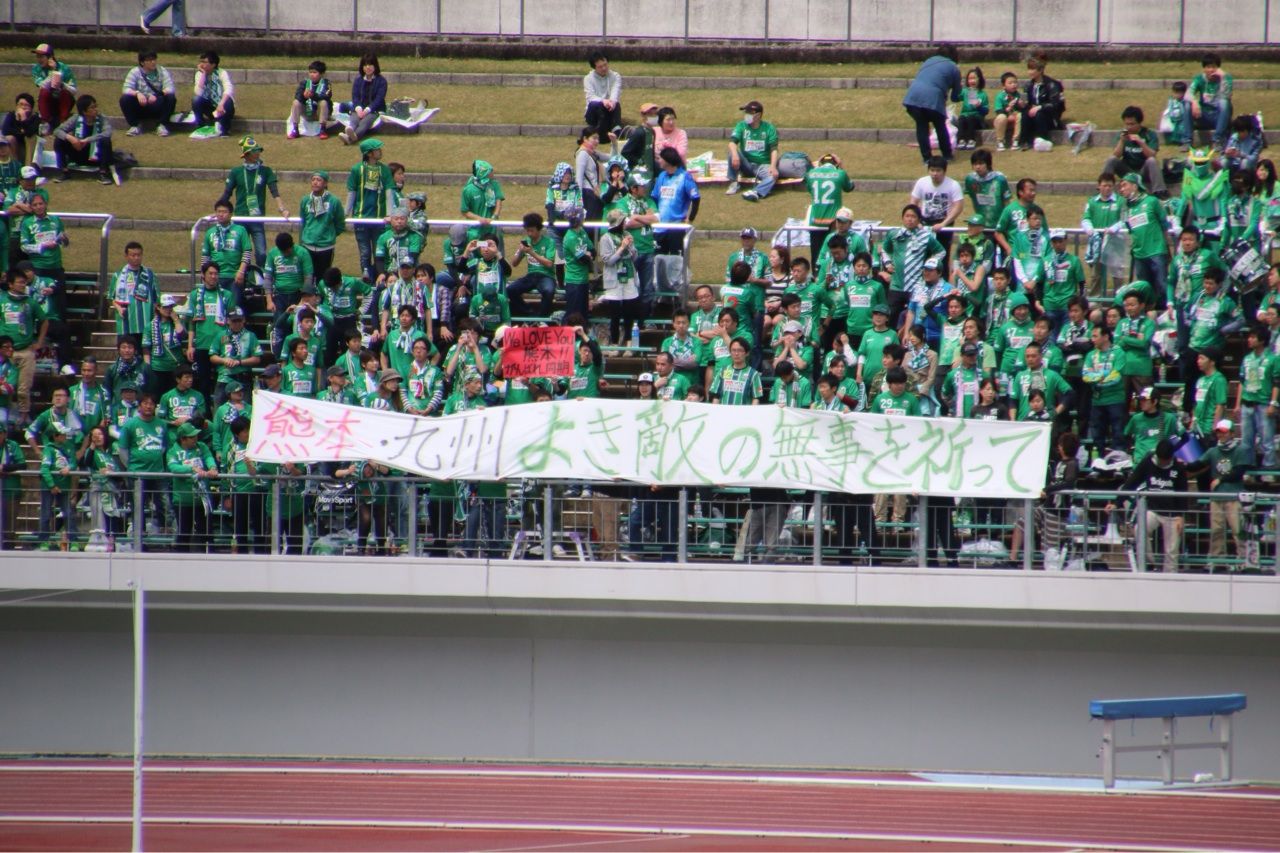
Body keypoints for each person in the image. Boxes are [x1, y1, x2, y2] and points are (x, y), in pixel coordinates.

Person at [1109, 438, 1188, 573]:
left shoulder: (1179, 467)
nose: (1163, 463)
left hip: (1172, 514)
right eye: (1161, 459)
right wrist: (1117, 503)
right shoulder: (1148, 462)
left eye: (1166, 460)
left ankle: (1170, 578)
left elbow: (1182, 492)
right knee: (1140, 529)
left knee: (1172, 550)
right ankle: (1150, 562)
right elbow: (1131, 482)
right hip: (1153, 509)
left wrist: (1181, 515)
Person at [221, 135, 287, 268]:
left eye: (258, 150)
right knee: (239, 253)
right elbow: (227, 193)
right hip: (240, 218)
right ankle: (244, 278)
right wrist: (220, 210)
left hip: (257, 218)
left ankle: (261, 278)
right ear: (247, 154)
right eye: (255, 151)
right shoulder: (236, 172)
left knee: (262, 253)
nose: (258, 153)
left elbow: (274, 191)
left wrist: (282, 207)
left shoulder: (265, 171)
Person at [1194, 419, 1251, 572]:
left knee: (1238, 530)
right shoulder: (1213, 451)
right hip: (1217, 497)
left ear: (1232, 433)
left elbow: (1239, 471)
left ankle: (1244, 560)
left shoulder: (1240, 450)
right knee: (1216, 530)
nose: (1221, 435)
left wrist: (1220, 479)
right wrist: (1181, 462)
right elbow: (1197, 464)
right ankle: (1216, 559)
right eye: (1219, 431)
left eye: (1224, 432)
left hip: (1234, 496)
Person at [1119, 171, 1170, 310]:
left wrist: (1166, 245)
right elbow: (1131, 229)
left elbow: (1164, 223)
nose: (1121, 189)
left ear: (1135, 186)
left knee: (1162, 283)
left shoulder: (1151, 201)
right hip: (1139, 254)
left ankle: (1168, 312)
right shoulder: (1126, 208)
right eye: (1120, 187)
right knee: (1145, 287)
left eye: (1125, 185)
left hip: (1156, 250)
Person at [902, 43, 961, 163]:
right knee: (940, 126)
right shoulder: (954, 67)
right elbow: (955, 97)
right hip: (933, 99)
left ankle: (927, 158)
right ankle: (947, 155)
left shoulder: (928, 61)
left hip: (913, 97)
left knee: (922, 126)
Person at [347, 138, 396, 281]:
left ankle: (379, 275)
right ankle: (366, 273)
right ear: (369, 153)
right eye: (377, 149)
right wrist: (346, 212)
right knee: (364, 251)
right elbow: (352, 191)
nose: (380, 151)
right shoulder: (357, 169)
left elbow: (389, 191)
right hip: (361, 217)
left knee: (378, 249)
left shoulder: (384, 169)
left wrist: (389, 214)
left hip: (379, 218)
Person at [167, 422, 216, 553]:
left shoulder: (202, 446)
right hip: (183, 500)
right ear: (183, 439)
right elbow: (173, 467)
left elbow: (209, 457)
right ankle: (182, 560)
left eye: (195, 436)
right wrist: (191, 469)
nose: (195, 439)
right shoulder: (173, 451)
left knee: (205, 531)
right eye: (191, 437)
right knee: (184, 531)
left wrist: (212, 467)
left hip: (202, 499)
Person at [910, 156, 964, 270]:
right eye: (932, 170)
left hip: (944, 223)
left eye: (938, 170)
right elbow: (913, 202)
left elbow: (958, 206)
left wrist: (944, 224)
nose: (935, 173)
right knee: (922, 255)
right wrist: (917, 221)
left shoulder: (953, 185)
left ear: (944, 171)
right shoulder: (922, 182)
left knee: (942, 255)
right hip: (924, 223)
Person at [598, 209, 640, 348]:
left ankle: (629, 343)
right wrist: (621, 248)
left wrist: (632, 249)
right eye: (622, 221)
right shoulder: (605, 238)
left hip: (628, 276)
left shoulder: (627, 234)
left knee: (629, 312)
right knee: (615, 314)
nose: (625, 223)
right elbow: (608, 261)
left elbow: (634, 258)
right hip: (614, 279)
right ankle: (615, 343)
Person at [1082, 325, 1127, 453]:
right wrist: (1102, 376)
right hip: (1097, 401)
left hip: (1115, 400)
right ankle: (1099, 464)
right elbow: (1085, 376)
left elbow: (1116, 376)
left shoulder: (1119, 352)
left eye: (1095, 336)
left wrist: (1097, 378)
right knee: (1097, 435)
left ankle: (1118, 466)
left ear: (1106, 336)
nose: (1092, 339)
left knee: (1118, 433)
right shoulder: (1091, 355)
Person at [1104, 106, 1166, 199]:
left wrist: (1141, 142)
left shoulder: (1149, 134)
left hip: (1144, 171)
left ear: (1139, 123)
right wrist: (1122, 141)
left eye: (1132, 124)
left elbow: (1152, 155)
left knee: (1152, 161)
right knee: (1111, 159)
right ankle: (1105, 186)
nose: (1129, 127)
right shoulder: (1122, 134)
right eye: (1127, 124)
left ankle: (1160, 191)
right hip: (1127, 171)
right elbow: (1116, 155)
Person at [53, 95, 115, 185]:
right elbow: (57, 131)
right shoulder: (75, 118)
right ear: (84, 111)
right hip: (78, 151)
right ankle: (64, 172)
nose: (96, 109)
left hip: (95, 155)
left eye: (96, 106)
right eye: (92, 107)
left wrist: (88, 140)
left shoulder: (102, 118)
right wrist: (71, 138)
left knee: (105, 141)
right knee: (59, 140)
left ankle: (103, 173)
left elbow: (108, 133)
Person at [726, 100, 779, 202]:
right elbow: (732, 142)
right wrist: (735, 155)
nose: (746, 115)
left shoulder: (769, 128)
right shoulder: (741, 126)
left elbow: (774, 149)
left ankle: (756, 192)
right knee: (732, 153)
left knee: (773, 176)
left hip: (763, 165)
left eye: (749, 113)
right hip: (746, 164)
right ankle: (733, 183)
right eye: (746, 112)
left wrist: (773, 166)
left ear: (758, 115)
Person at [120, 51, 176, 136]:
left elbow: (170, 88)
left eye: (154, 59)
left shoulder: (162, 71)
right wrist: (137, 93)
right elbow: (126, 89)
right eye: (149, 60)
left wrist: (157, 95)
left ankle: (162, 125)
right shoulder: (134, 72)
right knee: (125, 99)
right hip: (141, 105)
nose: (153, 62)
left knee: (171, 97)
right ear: (142, 62)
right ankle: (134, 126)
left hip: (156, 104)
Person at [1018, 53, 1065, 149]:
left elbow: (1055, 104)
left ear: (1040, 70)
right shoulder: (1028, 86)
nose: (1029, 72)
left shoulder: (1052, 84)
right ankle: (1024, 141)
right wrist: (1022, 104)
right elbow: (1027, 103)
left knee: (1039, 114)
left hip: (1048, 115)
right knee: (1025, 114)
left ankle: (1042, 139)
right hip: (1033, 113)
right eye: (1029, 69)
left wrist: (1040, 107)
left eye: (1032, 69)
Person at [1188, 53, 1233, 149]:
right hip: (1203, 115)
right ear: (1204, 69)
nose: (1211, 70)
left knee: (1224, 102)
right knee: (1187, 105)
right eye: (1208, 67)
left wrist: (1223, 78)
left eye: (1214, 67)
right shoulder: (1199, 79)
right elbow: (1188, 93)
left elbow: (1227, 96)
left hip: (1219, 116)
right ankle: (1186, 141)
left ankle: (1217, 140)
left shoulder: (1226, 78)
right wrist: (1195, 103)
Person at [341, 54, 386, 146]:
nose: (367, 67)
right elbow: (355, 96)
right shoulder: (358, 80)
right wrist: (358, 108)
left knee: (365, 123)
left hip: (374, 110)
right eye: (365, 65)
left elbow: (379, 99)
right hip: (359, 108)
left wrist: (367, 110)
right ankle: (350, 131)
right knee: (354, 119)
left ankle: (351, 137)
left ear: (375, 66)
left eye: (370, 65)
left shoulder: (381, 81)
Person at [31, 44, 77, 128]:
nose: (39, 59)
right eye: (37, 56)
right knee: (43, 92)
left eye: (41, 57)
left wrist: (63, 85)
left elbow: (74, 91)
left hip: (63, 100)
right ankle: (45, 123)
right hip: (48, 101)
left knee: (65, 92)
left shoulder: (64, 68)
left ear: (50, 57)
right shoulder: (36, 69)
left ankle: (63, 121)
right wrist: (53, 71)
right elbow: (43, 86)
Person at [460, 159, 505, 244]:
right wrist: (479, 219)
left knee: (495, 247)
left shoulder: (494, 184)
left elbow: (498, 202)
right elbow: (465, 211)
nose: (492, 173)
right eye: (490, 171)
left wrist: (494, 217)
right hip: (476, 229)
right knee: (480, 246)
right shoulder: (468, 190)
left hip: (493, 226)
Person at [804, 153, 856, 227]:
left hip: (815, 221)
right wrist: (841, 167)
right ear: (836, 164)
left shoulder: (810, 173)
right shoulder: (840, 173)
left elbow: (810, 190)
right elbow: (849, 188)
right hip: (833, 222)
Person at [583, 50, 622, 145]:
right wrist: (603, 101)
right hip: (593, 113)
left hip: (610, 109)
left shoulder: (615, 76)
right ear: (594, 68)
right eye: (600, 67)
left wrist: (611, 102)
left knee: (616, 105)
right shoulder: (588, 79)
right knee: (597, 105)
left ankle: (617, 132)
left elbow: (615, 92)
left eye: (605, 64)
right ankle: (603, 136)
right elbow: (590, 97)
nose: (604, 68)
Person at [192, 51, 235, 138]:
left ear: (213, 64)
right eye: (201, 62)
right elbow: (198, 92)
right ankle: (200, 126)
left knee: (228, 101)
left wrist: (221, 104)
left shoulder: (221, 73)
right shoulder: (199, 74)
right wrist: (203, 74)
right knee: (196, 100)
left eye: (205, 62)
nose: (201, 64)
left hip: (223, 107)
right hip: (209, 107)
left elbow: (228, 88)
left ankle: (224, 130)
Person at [288, 60, 332, 140]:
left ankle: (322, 129)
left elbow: (326, 96)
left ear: (321, 74)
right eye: (310, 72)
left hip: (320, 113)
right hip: (308, 112)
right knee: (296, 102)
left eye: (315, 72)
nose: (312, 75)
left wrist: (313, 95)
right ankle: (295, 129)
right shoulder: (304, 83)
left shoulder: (326, 83)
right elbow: (297, 95)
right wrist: (304, 96)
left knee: (323, 102)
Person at [574, 128, 605, 221]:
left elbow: (612, 157)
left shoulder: (592, 153)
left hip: (595, 192)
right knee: (591, 224)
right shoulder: (583, 153)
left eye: (598, 139)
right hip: (588, 193)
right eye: (594, 138)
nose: (597, 141)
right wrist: (579, 201)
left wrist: (614, 143)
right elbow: (578, 177)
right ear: (585, 139)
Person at [955, 67, 988, 150]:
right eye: (970, 78)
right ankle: (961, 140)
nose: (972, 81)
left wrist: (979, 106)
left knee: (971, 118)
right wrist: (957, 88)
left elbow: (985, 111)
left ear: (979, 79)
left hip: (977, 118)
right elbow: (955, 98)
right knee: (962, 119)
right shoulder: (965, 91)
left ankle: (971, 140)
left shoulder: (982, 94)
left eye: (974, 78)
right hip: (965, 115)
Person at [2, 94, 41, 164]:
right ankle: (15, 165)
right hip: (15, 145)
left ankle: (28, 168)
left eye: (26, 105)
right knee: (9, 138)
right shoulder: (11, 115)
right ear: (17, 106)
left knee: (31, 137)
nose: (23, 107)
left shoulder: (35, 118)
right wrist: (21, 132)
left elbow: (30, 133)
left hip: (29, 147)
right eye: (20, 104)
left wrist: (24, 119)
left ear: (31, 107)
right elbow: (5, 130)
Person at [992, 72, 1024, 151]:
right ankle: (1000, 141)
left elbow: (1019, 110)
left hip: (1014, 119)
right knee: (1001, 117)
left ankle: (1015, 140)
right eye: (1010, 83)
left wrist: (1021, 105)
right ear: (1003, 86)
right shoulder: (1000, 96)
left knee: (1020, 115)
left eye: (1015, 82)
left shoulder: (1017, 95)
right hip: (1003, 119)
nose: (1013, 85)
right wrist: (1008, 108)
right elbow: (998, 111)